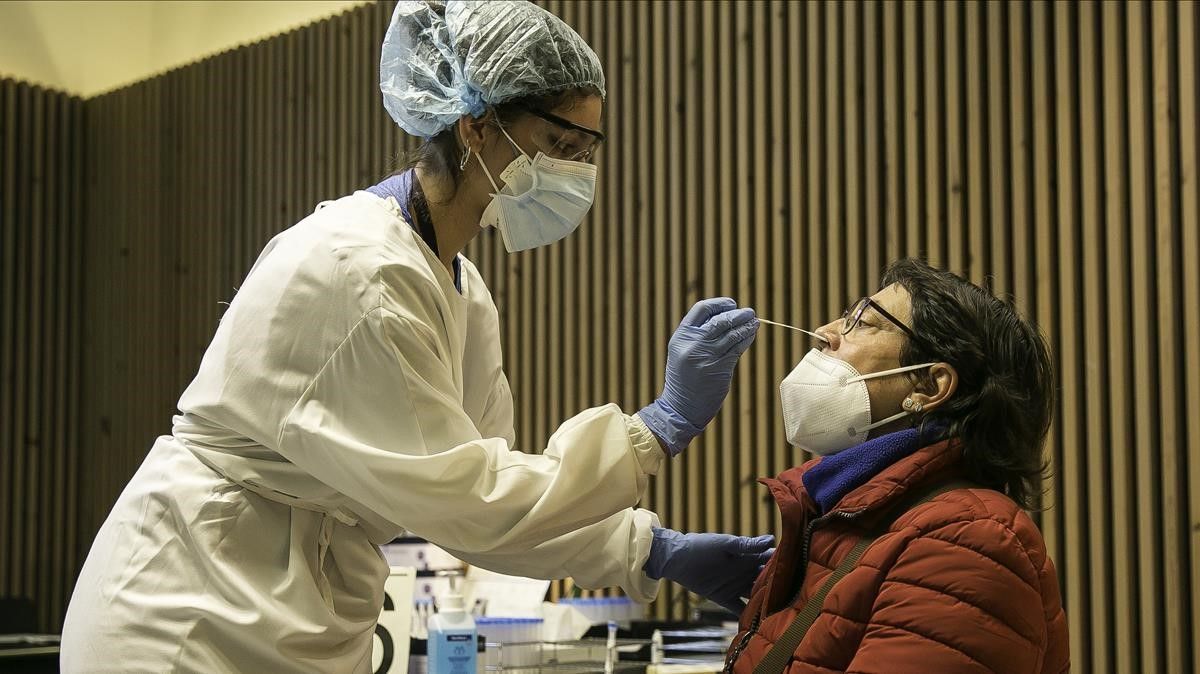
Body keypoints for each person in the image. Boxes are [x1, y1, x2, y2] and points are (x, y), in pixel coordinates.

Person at [61, 2, 768, 671]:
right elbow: (470, 501)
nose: (576, 172)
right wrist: (656, 428)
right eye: (559, 144)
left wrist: (649, 549)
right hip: (189, 611)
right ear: (476, 126)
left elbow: (492, 498)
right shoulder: (357, 267)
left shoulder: (459, 287)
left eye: (587, 151)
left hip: (289, 606)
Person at [719, 259, 1069, 674]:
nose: (824, 334)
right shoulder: (846, 517)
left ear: (929, 386)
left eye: (861, 323)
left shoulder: (965, 539)